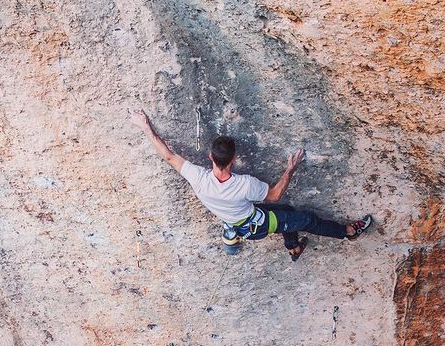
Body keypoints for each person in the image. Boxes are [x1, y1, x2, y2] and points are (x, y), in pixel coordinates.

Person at [130, 110, 372, 260]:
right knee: (306, 219)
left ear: (210, 157)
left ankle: (294, 248)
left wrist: (145, 127)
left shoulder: (198, 178)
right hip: (258, 224)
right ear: (234, 159)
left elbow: (169, 156)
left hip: (240, 221)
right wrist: (290, 168)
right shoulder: (244, 185)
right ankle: (347, 233)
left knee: (287, 212)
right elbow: (274, 195)